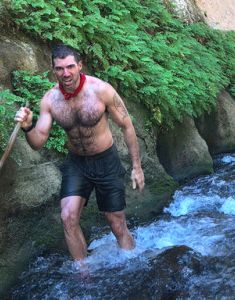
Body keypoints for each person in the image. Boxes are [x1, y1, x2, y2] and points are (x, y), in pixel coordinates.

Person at [15, 44, 144, 264]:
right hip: (77, 165)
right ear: (53, 70)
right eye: (59, 68)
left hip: (106, 161)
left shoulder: (101, 90)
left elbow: (127, 126)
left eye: (70, 67)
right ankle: (84, 274)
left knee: (116, 222)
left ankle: (134, 266)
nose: (65, 73)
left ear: (79, 66)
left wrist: (137, 167)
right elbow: (38, 142)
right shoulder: (50, 100)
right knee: (67, 217)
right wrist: (28, 126)